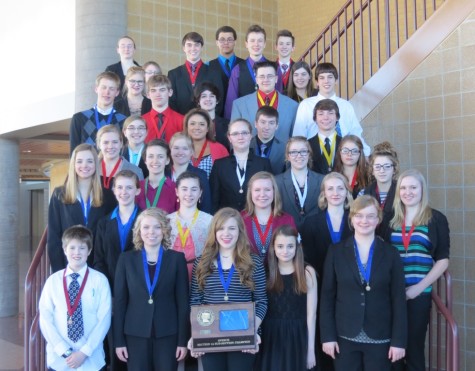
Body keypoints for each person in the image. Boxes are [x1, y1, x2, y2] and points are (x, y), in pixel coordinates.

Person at [320, 195, 407, 371]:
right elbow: (327, 297)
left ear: (378, 220)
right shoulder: (336, 252)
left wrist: (399, 341)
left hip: (381, 337)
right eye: (359, 216)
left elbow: (398, 299)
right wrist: (327, 336)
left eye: (370, 216)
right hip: (345, 337)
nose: (364, 221)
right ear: (351, 219)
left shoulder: (391, 254)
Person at [188, 207, 267, 371]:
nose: (226, 233)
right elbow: (195, 302)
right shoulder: (201, 263)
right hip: (210, 336)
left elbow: (261, 302)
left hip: (243, 337)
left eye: (232, 228)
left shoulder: (254, 262)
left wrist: (252, 331)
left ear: (240, 231)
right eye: (221, 228)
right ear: (214, 232)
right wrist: (195, 335)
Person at [114, 208, 189, 370]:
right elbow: (119, 303)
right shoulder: (126, 260)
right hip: (135, 334)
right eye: (146, 227)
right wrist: (118, 341)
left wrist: (182, 341)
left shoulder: (177, 259)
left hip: (168, 334)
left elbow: (183, 303)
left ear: (164, 230)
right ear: (139, 231)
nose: (151, 232)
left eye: (157, 227)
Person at [389, 169, 450, 371]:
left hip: (418, 294)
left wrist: (419, 288)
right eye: (403, 188)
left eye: (413, 187)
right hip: (391, 293)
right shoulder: (391, 219)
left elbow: (442, 260)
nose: (408, 192)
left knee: (413, 349)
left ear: (422, 190)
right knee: (392, 350)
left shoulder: (436, 219)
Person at [300, 172, 353, 371]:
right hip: (322, 288)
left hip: (351, 289)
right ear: (323, 193)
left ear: (347, 191)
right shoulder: (311, 223)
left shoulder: (355, 221)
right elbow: (308, 259)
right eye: (330, 188)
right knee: (325, 338)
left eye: (340, 188)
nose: (335, 193)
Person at [39, 225, 111, 371]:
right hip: (59, 361)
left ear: (89, 251)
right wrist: (64, 351)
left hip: (92, 360)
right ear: (65, 250)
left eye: (82, 248)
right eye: (72, 248)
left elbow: (104, 319)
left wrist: (84, 353)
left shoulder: (99, 280)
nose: (77, 252)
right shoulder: (53, 281)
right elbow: (45, 318)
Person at [261, 225, 318, 371]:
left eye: (290, 246)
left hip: (298, 336)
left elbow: (311, 314)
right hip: (271, 338)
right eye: (280, 246)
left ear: (297, 247)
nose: (285, 251)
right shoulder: (265, 273)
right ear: (273, 247)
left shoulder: (307, 272)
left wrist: (310, 350)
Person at [48, 144, 107, 273]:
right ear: (73, 165)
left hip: (98, 268)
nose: (84, 165)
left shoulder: (106, 196)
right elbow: (53, 237)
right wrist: (60, 271)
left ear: (96, 165)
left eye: (90, 161)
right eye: (79, 161)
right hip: (68, 265)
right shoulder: (59, 195)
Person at [292, 62, 370, 156]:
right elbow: (298, 136)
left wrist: (366, 154)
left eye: (330, 77)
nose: (326, 81)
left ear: (336, 80)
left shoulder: (346, 106)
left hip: (344, 157)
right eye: (322, 78)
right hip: (314, 157)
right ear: (317, 82)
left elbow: (355, 133)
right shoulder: (306, 105)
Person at [210, 119, 272, 212]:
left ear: (251, 136)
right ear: (229, 138)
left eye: (244, 133)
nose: (240, 137)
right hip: (227, 221)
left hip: (255, 219)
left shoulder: (263, 164)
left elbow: (270, 195)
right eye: (235, 134)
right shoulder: (219, 165)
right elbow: (214, 199)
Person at [230, 61, 298, 144]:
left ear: (276, 79)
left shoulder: (293, 106)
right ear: (256, 79)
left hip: (282, 155)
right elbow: (234, 137)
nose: (266, 80)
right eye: (262, 76)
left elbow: (295, 138)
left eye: (270, 76)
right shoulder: (239, 105)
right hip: (250, 154)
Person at [241, 171, 296, 261]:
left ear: (274, 192)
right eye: (257, 190)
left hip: (278, 272)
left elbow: (295, 252)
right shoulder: (240, 219)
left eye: (267, 190)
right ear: (250, 193)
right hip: (250, 273)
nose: (262, 194)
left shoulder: (287, 220)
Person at [168, 172, 213, 280]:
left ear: (200, 192)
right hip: (170, 273)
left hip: (201, 273)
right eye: (184, 189)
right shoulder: (166, 220)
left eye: (194, 189)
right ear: (177, 192)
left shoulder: (210, 220)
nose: (189, 194)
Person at [168, 32, 224, 115]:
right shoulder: (173, 74)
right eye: (189, 45)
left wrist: (208, 121)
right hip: (181, 123)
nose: (193, 48)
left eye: (197, 45)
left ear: (201, 48)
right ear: (184, 48)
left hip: (207, 123)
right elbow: (171, 102)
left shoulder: (214, 73)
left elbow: (220, 100)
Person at [275, 137, 324, 232]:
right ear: (287, 156)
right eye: (293, 152)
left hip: (316, 234)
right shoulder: (277, 181)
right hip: (287, 235)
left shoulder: (322, 180)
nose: (299, 155)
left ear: (309, 154)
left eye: (303, 151)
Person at [69, 71, 126, 154]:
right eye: (104, 87)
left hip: (114, 167)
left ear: (117, 92)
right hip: (88, 166)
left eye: (111, 88)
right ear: (96, 89)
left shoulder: (124, 121)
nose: (107, 92)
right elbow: (74, 153)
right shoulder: (79, 119)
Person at [225, 24, 273, 118]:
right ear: (246, 44)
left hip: (270, 121)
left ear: (264, 44)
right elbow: (231, 102)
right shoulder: (237, 70)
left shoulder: (274, 68)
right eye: (252, 40)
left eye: (260, 40)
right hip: (245, 122)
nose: (256, 44)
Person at [96, 124, 144, 214]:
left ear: (121, 143)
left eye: (115, 142)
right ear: (99, 145)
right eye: (106, 142)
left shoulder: (135, 171)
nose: (110, 146)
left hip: (122, 222)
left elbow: (139, 202)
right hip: (93, 221)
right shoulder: (91, 168)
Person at [359, 141, 399, 240]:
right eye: (377, 167)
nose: (382, 171)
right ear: (372, 170)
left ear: (394, 170)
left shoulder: (402, 192)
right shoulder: (363, 194)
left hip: (398, 244)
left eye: (387, 166)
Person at [166, 132, 212, 214]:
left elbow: (206, 206)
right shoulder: (163, 173)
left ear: (191, 152)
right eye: (176, 148)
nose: (180, 152)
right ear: (170, 150)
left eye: (185, 148)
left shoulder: (200, 175)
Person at [184, 108, 229, 178]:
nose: (197, 127)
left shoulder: (220, 149)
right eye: (192, 124)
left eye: (201, 124)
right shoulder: (179, 148)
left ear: (208, 128)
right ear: (187, 127)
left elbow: (226, 178)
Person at [137, 139, 178, 213]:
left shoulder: (176, 189)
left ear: (167, 160)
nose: (155, 161)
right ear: (145, 160)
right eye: (151, 156)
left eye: (160, 156)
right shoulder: (137, 187)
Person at [142, 74, 184, 143]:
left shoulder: (182, 120)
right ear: (148, 95)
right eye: (153, 90)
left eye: (162, 90)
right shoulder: (142, 121)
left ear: (170, 92)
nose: (158, 94)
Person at [208, 26, 244, 105]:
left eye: (230, 39)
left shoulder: (244, 65)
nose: (226, 43)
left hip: (240, 111)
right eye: (222, 39)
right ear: (217, 42)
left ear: (235, 42)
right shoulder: (208, 66)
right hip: (216, 112)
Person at [308, 99, 342, 175]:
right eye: (321, 114)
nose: (326, 117)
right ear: (315, 118)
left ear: (337, 117)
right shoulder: (307, 145)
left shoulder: (345, 143)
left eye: (330, 113)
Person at [194, 81, 231, 151]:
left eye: (212, 96)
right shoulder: (192, 124)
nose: (208, 99)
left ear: (217, 100)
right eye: (204, 96)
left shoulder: (228, 124)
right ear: (198, 101)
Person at [250, 106, 286, 175]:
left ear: (277, 126)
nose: (267, 127)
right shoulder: (246, 145)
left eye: (271, 123)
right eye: (263, 122)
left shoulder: (285, 149)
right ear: (255, 124)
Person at [333, 135, 369, 199]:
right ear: (340, 152)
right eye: (345, 151)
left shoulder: (367, 176)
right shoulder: (333, 176)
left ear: (360, 153)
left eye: (354, 151)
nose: (349, 154)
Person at [275, 29, 296, 94]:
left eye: (288, 44)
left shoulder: (298, 68)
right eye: (281, 44)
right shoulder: (270, 68)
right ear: (276, 47)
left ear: (293, 48)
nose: (284, 47)